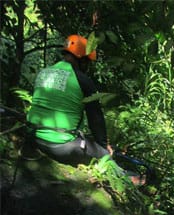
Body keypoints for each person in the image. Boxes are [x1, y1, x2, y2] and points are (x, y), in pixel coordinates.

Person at [26, 34, 113, 165]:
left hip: (33, 136)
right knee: (104, 155)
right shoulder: (83, 81)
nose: (87, 66)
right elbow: (95, 119)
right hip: (61, 145)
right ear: (81, 59)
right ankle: (129, 178)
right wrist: (103, 145)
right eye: (87, 62)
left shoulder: (44, 72)